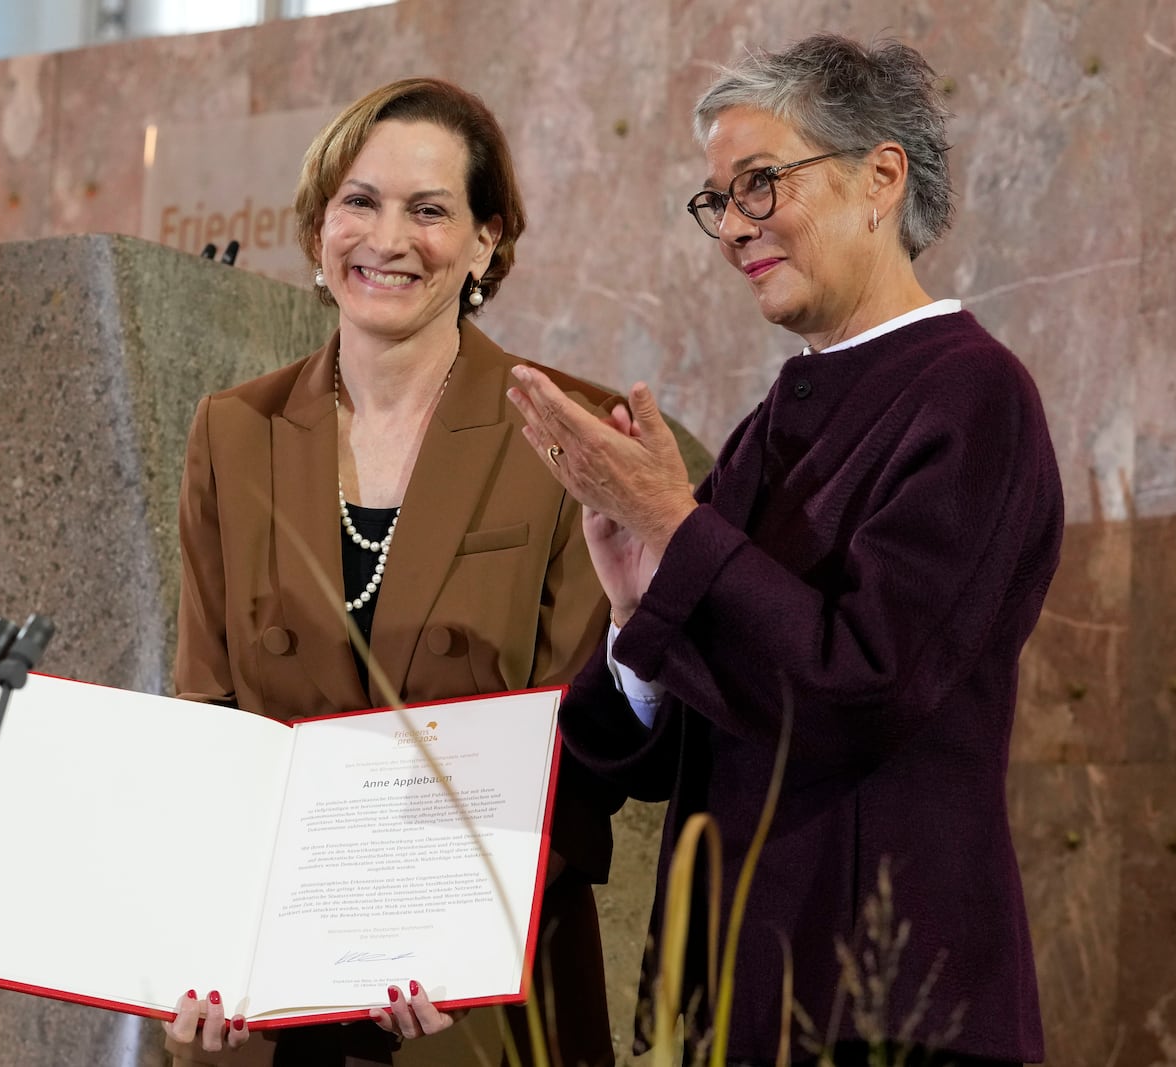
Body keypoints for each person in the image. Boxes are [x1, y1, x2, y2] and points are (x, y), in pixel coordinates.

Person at [507, 34, 1060, 1067]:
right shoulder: (775, 421)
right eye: (717, 199)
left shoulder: (972, 393)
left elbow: (864, 683)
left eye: (760, 183)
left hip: (881, 1003)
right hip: (729, 1000)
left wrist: (678, 530)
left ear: (879, 177)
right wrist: (634, 615)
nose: (732, 226)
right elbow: (647, 752)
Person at [169, 77, 621, 1067]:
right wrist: (192, 946)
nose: (387, 238)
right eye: (359, 202)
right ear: (319, 225)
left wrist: (453, 940)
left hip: (477, 995)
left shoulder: (564, 433)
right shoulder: (231, 431)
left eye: (429, 209)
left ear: (486, 241)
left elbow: (579, 739)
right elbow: (205, 711)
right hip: (268, 1000)